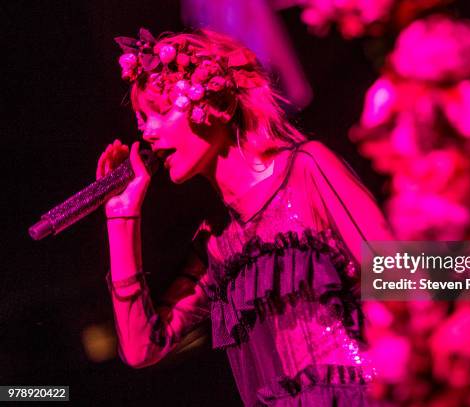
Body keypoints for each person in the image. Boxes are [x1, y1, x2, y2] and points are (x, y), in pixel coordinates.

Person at [98, 28, 393, 406]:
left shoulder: (304, 170)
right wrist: (121, 217)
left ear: (211, 102)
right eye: (141, 120)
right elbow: (142, 349)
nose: (148, 133)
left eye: (159, 112)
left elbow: (399, 272)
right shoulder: (217, 244)